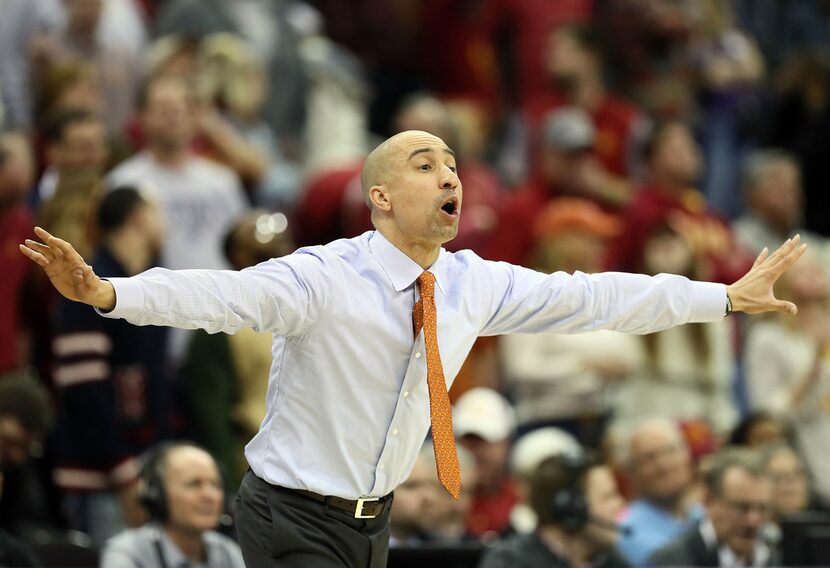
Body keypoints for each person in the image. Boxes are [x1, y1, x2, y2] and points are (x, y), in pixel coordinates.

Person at [20, 129, 806, 568]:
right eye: (424, 164)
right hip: (289, 516)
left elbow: (595, 296)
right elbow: (221, 298)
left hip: (375, 523)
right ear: (382, 199)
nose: (448, 174)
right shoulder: (323, 275)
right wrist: (111, 294)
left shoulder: (473, 283)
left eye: (454, 165)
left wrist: (724, 297)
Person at [52, 186, 171, 544]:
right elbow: (83, 388)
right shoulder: (86, 285)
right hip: (98, 476)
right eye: (157, 210)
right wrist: (124, 472)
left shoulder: (151, 283)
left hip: (146, 467)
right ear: (139, 217)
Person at [100, 441, 245, 567]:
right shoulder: (127, 553)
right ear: (156, 494)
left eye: (215, 485)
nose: (209, 496)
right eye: (193, 484)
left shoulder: (228, 552)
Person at [478, 453, 629, 568]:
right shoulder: (509, 562)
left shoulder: (610, 561)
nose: (619, 504)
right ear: (571, 509)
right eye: (608, 497)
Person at [649, 447, 778, 567]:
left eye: (762, 509)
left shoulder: (777, 559)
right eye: (741, 508)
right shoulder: (671, 562)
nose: (753, 521)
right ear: (708, 501)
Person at [617, 419, 703, 567]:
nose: (664, 465)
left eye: (670, 451)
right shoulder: (626, 533)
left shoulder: (703, 514)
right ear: (632, 472)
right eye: (650, 458)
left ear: (687, 456)